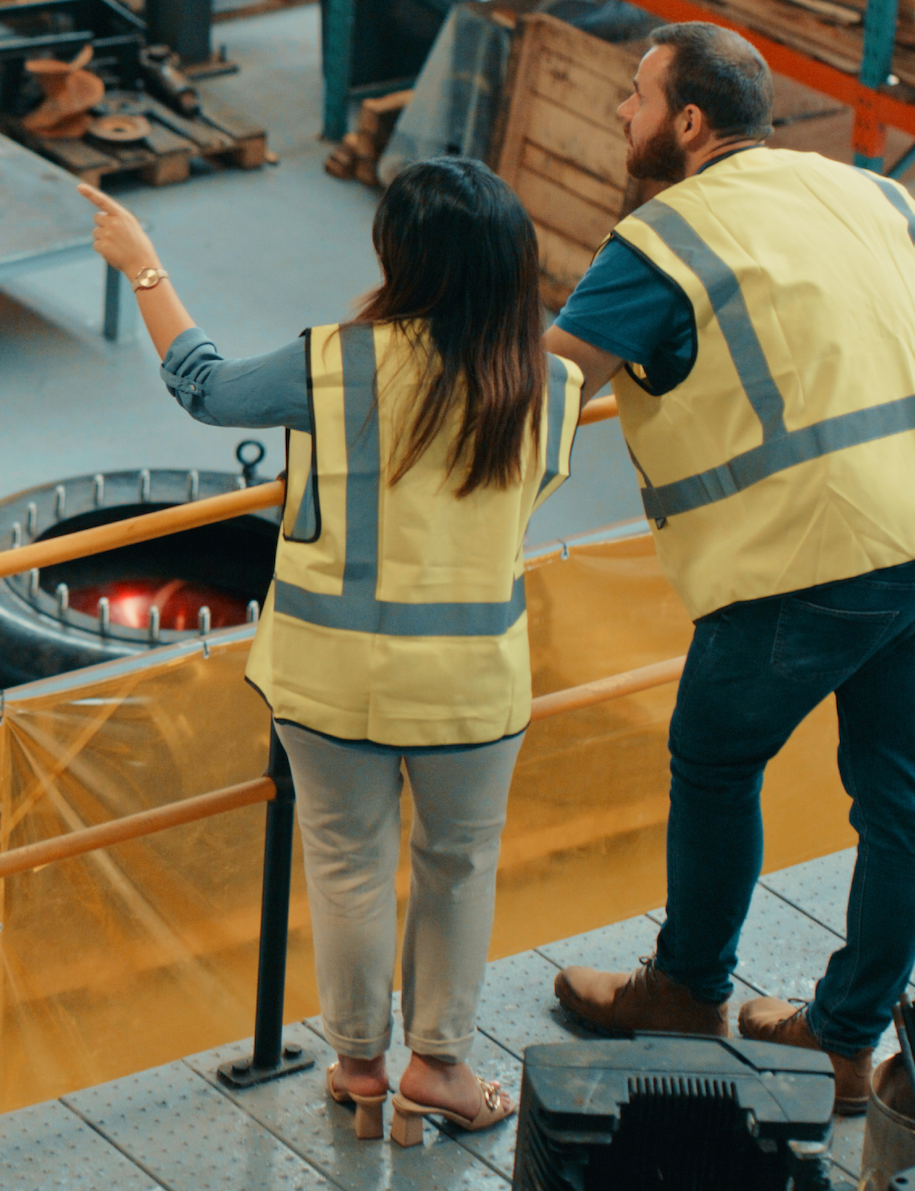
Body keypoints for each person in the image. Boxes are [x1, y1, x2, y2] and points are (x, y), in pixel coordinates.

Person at [542, 23, 915, 1113]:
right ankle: (842, 1045)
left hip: (812, 559)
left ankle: (688, 991)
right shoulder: (867, 194)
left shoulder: (666, 238)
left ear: (688, 123)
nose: (621, 112)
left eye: (636, 94)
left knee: (713, 760)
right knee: (903, 805)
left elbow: (553, 379)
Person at [86, 160, 585, 1147]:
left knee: (348, 863)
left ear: (394, 255)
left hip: (326, 678)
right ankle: (439, 1070)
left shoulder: (333, 363)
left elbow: (205, 386)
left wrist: (144, 267)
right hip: (471, 687)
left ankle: (358, 1070)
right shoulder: (552, 386)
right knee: (458, 864)